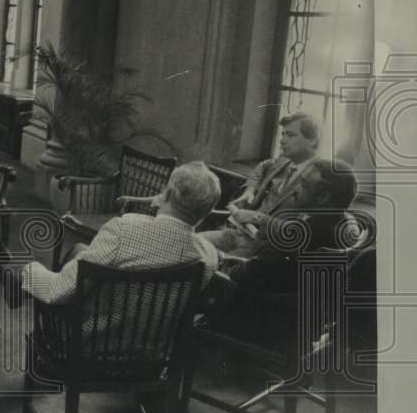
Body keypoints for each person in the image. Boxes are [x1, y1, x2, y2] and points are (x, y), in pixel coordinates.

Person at [19, 162, 222, 305]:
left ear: (167, 194)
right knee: (81, 251)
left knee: (32, 272)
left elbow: (57, 293)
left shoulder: (123, 230)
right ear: (206, 213)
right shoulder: (209, 256)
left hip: (86, 344)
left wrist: (30, 270)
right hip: (154, 353)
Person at [220, 158, 359, 294]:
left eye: (304, 185)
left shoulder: (298, 236)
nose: (295, 190)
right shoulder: (347, 225)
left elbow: (244, 276)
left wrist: (222, 266)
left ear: (323, 197)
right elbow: (268, 268)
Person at [199, 111, 322, 258]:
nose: (282, 140)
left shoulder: (318, 178)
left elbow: (300, 231)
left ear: (313, 140)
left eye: (290, 135)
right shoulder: (285, 160)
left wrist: (257, 217)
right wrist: (250, 191)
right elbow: (263, 166)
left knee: (203, 261)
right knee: (189, 243)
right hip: (239, 234)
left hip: (264, 252)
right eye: (282, 134)